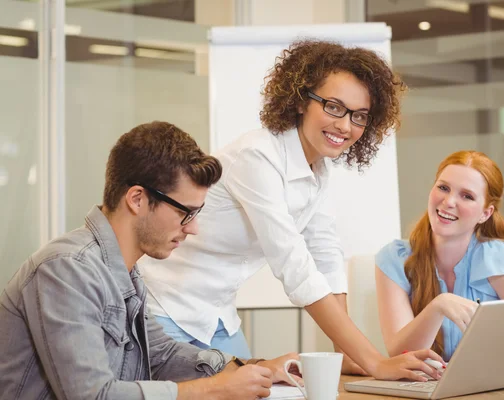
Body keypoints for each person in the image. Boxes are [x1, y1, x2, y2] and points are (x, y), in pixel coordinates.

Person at [139, 40, 444, 382]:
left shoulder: (318, 170)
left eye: (359, 116)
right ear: (301, 101)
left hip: (217, 318)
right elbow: (294, 264)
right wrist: (374, 362)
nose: (345, 126)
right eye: (333, 107)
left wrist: (343, 352)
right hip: (163, 310)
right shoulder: (257, 156)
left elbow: (325, 253)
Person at [0, 121, 300, 400]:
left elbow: (162, 354)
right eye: (186, 213)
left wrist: (256, 366)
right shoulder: (66, 269)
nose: (193, 228)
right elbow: (92, 395)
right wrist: (215, 388)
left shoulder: (123, 271)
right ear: (137, 199)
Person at [375, 150, 504, 363]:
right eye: (443, 188)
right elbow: (400, 354)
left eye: (467, 196)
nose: (449, 201)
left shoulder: (494, 257)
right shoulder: (394, 259)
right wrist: (439, 307)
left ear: (485, 213)